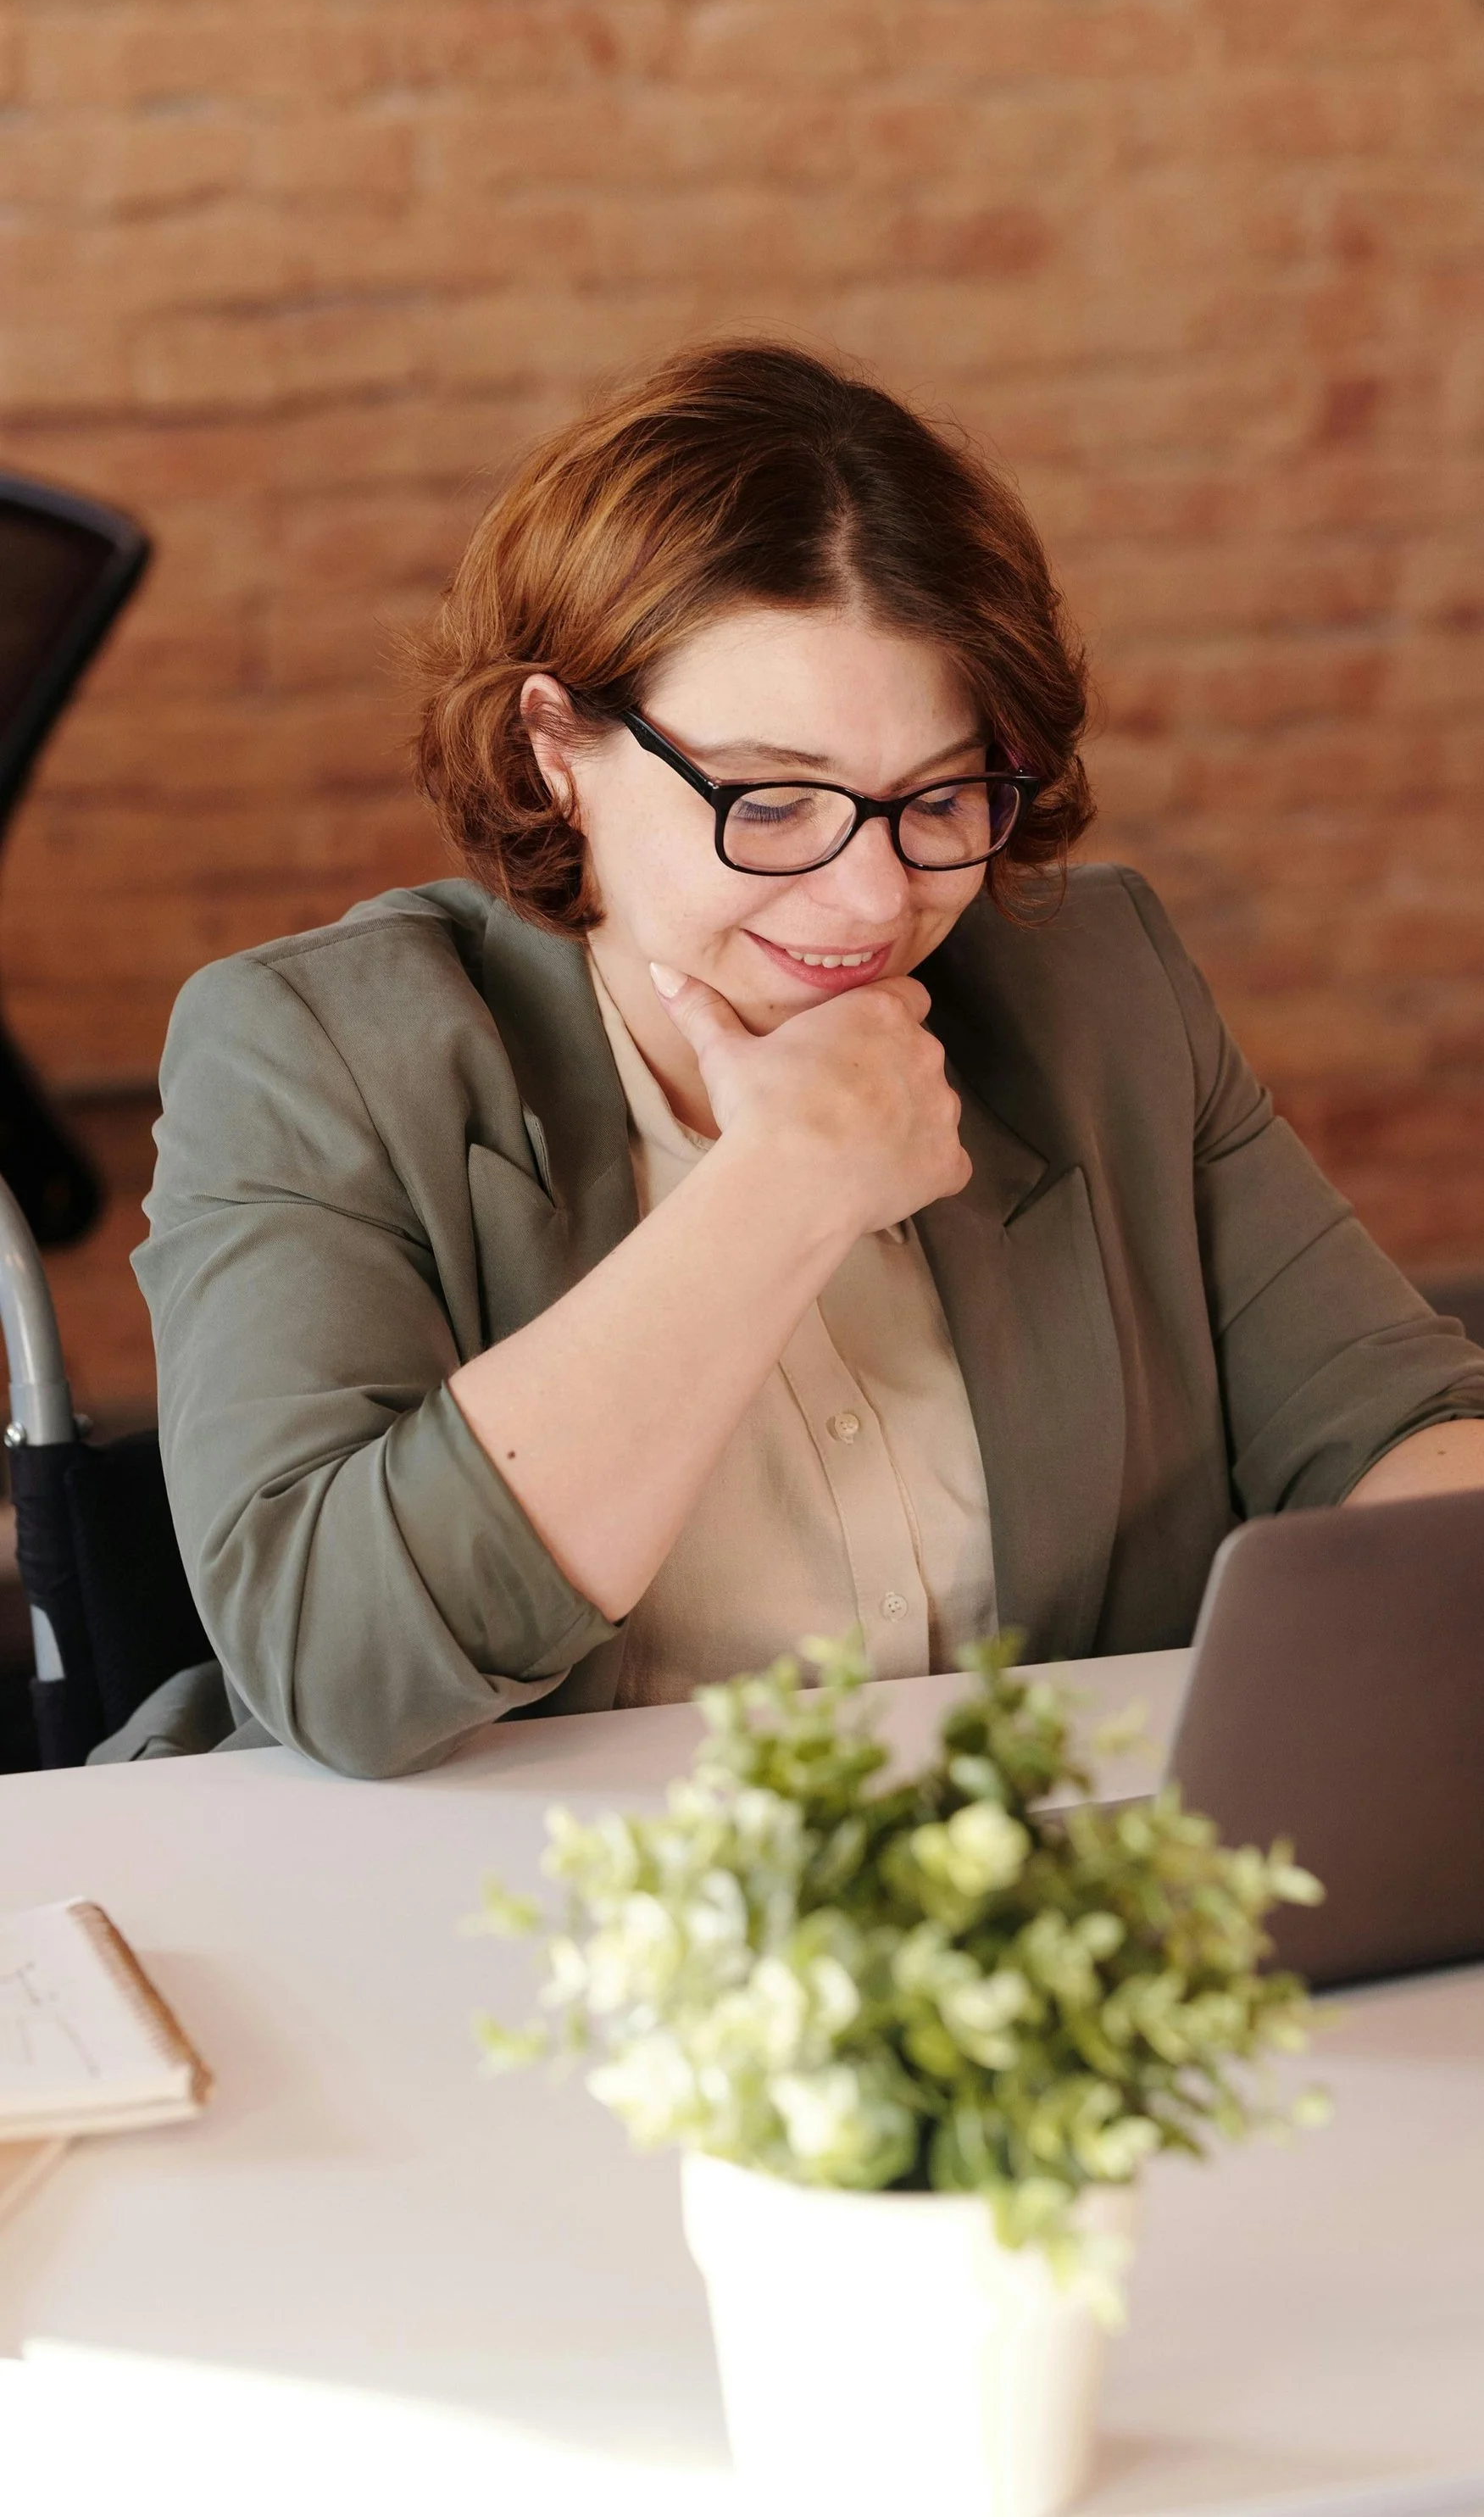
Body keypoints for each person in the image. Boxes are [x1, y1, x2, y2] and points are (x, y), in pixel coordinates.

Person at [129, 342, 1484, 1777]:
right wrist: (775, 1193)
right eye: (773, 802)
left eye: (941, 794)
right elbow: (331, 1660)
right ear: (555, 749)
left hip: (1040, 1912)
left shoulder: (1097, 993)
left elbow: (1400, 1427)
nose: (872, 901)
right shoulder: (308, 1054)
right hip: (510, 1930)